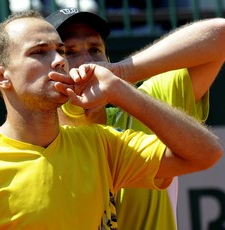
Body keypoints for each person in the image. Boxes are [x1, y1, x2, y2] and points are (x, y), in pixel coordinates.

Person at [0, 11, 222, 230]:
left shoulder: (107, 138)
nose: (78, 61)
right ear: (2, 76)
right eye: (63, 52)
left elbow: (208, 152)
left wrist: (120, 76)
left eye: (95, 50)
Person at [46, 7, 225, 229]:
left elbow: (220, 34)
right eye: (70, 53)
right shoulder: (39, 141)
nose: (87, 62)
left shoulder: (147, 104)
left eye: (95, 50)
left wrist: (121, 73)